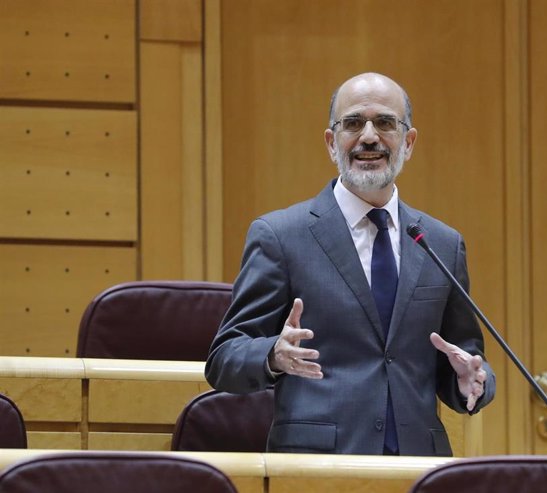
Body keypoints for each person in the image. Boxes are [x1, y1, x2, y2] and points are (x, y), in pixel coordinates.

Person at [205, 72, 496, 456]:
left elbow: (462, 354)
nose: (370, 137)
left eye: (386, 123)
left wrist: (471, 381)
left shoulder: (441, 244)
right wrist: (273, 354)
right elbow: (224, 357)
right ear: (331, 142)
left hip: (416, 466)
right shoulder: (281, 236)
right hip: (317, 468)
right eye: (354, 123)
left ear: (408, 143)